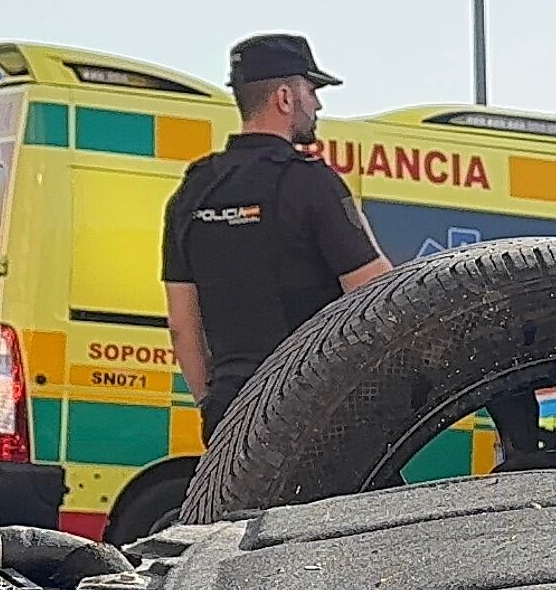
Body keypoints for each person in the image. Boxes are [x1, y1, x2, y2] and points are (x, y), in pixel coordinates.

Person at [161, 32, 390, 437]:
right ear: (285, 97)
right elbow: (376, 294)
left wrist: (212, 406)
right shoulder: (310, 182)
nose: (317, 105)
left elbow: (182, 324)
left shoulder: (192, 191)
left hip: (231, 413)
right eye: (311, 91)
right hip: (312, 403)